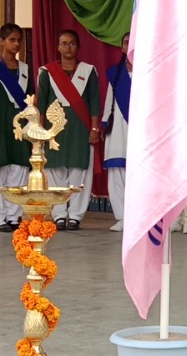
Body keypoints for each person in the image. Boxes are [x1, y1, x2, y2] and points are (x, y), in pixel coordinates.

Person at [36, 28, 101, 230]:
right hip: (55, 128)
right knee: (55, 171)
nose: (68, 47)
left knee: (79, 171)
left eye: (71, 43)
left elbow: (95, 102)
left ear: (78, 46)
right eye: (64, 43)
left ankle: (75, 215)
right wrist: (40, 133)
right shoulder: (46, 72)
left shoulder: (88, 70)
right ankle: (58, 214)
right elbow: (41, 104)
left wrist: (94, 128)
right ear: (58, 47)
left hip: (81, 128)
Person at [0, 22, 33, 231]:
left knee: (19, 169)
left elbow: (30, 101)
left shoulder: (25, 70)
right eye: (12, 40)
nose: (16, 44)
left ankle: (13, 216)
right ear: (2, 41)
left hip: (20, 126)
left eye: (19, 40)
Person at [102, 33, 131, 232]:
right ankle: (121, 217)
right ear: (121, 47)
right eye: (126, 42)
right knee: (117, 172)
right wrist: (104, 125)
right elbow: (108, 102)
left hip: (141, 130)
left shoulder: (149, 72)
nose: (129, 46)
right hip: (118, 128)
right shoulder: (115, 72)